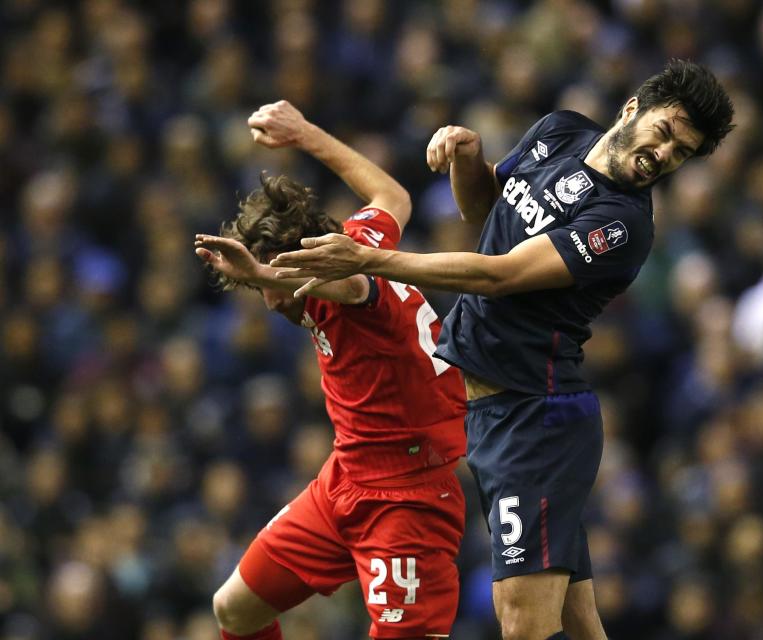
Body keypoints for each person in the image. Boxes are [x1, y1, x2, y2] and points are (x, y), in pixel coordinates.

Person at [270, 59, 735, 640]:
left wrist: (368, 259)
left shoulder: (622, 224)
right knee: (580, 622)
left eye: (682, 153)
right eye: (666, 133)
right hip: (495, 416)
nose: (666, 154)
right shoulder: (559, 131)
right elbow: (487, 209)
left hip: (535, 423)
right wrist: (468, 159)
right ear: (634, 108)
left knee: (522, 625)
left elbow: (502, 275)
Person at [194, 100, 467, 640]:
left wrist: (264, 274)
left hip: (407, 501)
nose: (271, 303)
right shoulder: (360, 238)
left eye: (272, 285)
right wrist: (305, 133)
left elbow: (351, 286)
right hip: (344, 481)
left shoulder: (349, 280)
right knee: (235, 610)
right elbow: (394, 196)